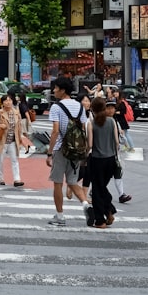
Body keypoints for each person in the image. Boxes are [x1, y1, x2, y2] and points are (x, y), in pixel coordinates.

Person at [45, 76, 92, 226]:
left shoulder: (56, 107)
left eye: (56, 88)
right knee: (72, 181)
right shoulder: (80, 107)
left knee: (58, 183)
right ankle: (86, 204)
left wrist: (49, 152)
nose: (54, 91)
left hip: (60, 149)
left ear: (62, 90)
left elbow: (55, 131)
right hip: (77, 149)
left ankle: (60, 216)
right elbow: (85, 128)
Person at [84, 97, 119, 229]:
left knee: (98, 190)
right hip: (110, 160)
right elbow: (116, 141)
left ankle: (100, 220)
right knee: (102, 187)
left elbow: (90, 144)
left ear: (92, 109)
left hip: (97, 160)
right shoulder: (111, 121)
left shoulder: (91, 124)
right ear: (104, 108)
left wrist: (85, 155)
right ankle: (109, 211)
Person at [0, 92, 25, 187]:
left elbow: (19, 127)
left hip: (13, 141)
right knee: (0, 160)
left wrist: (21, 139)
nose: (8, 102)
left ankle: (17, 179)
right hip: (2, 141)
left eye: (10, 100)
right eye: (6, 100)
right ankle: (0, 178)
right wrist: (0, 125)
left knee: (14, 160)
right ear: (2, 103)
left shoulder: (16, 113)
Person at [105, 100, 132, 203]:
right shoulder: (102, 120)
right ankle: (93, 191)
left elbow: (120, 137)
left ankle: (121, 194)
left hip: (114, 152)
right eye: (108, 107)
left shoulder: (115, 121)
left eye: (112, 108)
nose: (111, 110)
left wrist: (122, 139)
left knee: (117, 172)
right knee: (103, 174)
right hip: (105, 152)